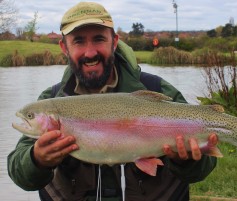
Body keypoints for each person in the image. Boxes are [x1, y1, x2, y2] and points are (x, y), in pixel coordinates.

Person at [8, 2, 217, 201]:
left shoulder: (158, 90)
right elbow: (20, 173)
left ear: (114, 42)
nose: (90, 52)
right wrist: (37, 160)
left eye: (99, 39)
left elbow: (203, 169)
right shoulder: (51, 99)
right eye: (79, 41)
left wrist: (186, 161)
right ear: (64, 47)